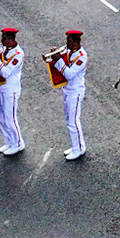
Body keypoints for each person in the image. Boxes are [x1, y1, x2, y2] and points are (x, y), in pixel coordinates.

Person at [46, 29, 89, 160]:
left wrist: (58, 60)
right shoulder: (69, 50)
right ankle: (77, 145)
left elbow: (69, 74)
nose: (66, 43)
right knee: (69, 119)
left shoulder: (82, 56)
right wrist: (55, 54)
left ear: (76, 42)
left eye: (69, 41)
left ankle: (79, 149)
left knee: (73, 121)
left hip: (75, 91)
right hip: (67, 90)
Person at [0, 27, 25, 155]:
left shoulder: (18, 54)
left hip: (11, 90)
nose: (1, 41)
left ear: (11, 39)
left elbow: (5, 72)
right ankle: (9, 141)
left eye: (4, 39)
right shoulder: (3, 49)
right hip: (1, 87)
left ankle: (18, 143)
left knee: (10, 118)